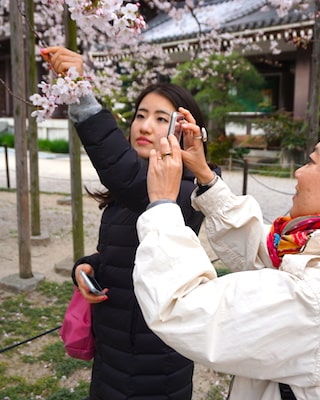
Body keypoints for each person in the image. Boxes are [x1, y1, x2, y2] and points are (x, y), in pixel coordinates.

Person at [132, 116, 320, 399]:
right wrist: (205, 175)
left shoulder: (317, 296)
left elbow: (182, 308)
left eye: (311, 162)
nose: (298, 172)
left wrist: (162, 204)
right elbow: (265, 250)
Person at [41, 46, 219, 400]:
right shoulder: (130, 189)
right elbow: (121, 251)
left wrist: (80, 93)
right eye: (140, 115)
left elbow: (122, 172)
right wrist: (88, 266)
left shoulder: (187, 189)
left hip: (155, 359)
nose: (144, 126)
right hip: (114, 347)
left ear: (184, 131)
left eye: (159, 118)